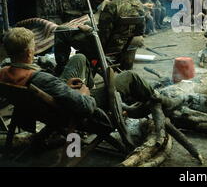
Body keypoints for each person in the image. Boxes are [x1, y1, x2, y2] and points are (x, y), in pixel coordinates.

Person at [0, 28, 179, 128]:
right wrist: (85, 92)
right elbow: (85, 107)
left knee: (79, 58)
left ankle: (132, 104)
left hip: (52, 101)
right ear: (30, 52)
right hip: (73, 110)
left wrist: (66, 85)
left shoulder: (4, 72)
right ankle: (160, 102)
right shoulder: (40, 79)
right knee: (129, 77)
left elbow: (53, 90)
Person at [54, 0, 145, 75]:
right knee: (86, 24)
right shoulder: (138, 3)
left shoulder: (112, 6)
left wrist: (88, 30)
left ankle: (61, 68)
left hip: (104, 47)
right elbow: (140, 31)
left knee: (61, 30)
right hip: (124, 46)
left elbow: (101, 38)